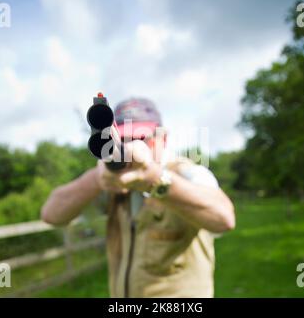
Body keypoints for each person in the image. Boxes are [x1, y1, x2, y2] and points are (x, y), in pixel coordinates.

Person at [41, 97, 235, 297]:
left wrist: (155, 180)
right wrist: (96, 179)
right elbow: (52, 214)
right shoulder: (113, 184)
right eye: (124, 140)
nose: (130, 146)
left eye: (141, 138)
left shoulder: (188, 173)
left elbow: (224, 218)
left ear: (163, 139)